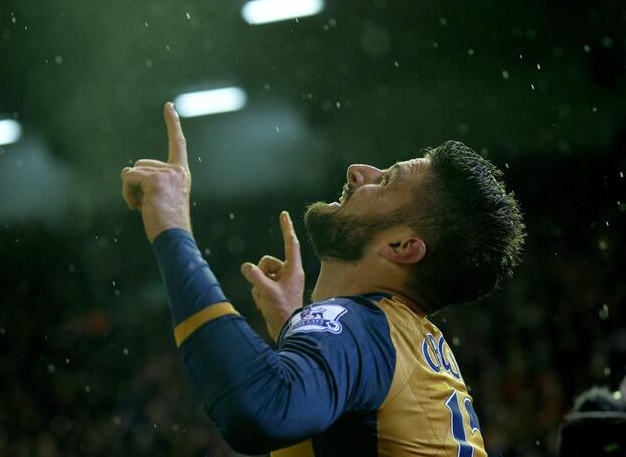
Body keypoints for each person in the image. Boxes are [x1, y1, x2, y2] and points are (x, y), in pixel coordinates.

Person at [121, 102, 525, 456]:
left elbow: (259, 409)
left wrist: (171, 225)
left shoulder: (363, 329)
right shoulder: (419, 347)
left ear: (402, 246)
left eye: (385, 180)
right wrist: (293, 324)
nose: (358, 172)